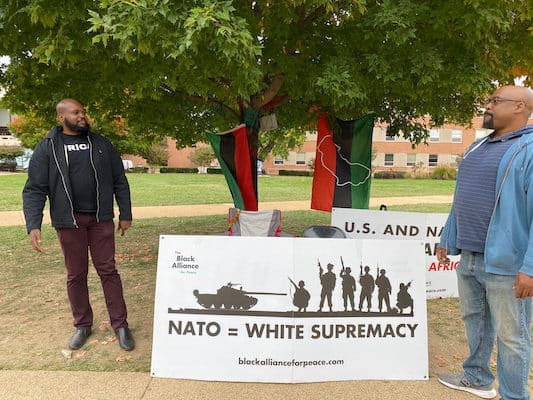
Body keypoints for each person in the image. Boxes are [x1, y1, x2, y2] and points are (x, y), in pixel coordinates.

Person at [436, 85, 533, 400]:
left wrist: (530, 267)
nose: (487, 106)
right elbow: (460, 197)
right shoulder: (478, 147)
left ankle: (513, 395)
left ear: (520, 107)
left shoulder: (528, 148)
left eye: (495, 101)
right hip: (471, 256)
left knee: (512, 336)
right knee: (475, 321)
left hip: (509, 263)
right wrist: (447, 236)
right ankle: (477, 378)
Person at [22, 98, 135, 351]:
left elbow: (120, 180)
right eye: (76, 113)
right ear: (61, 117)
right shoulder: (48, 148)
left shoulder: (101, 144)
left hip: (100, 218)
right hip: (68, 220)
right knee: (76, 274)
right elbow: (34, 189)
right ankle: (82, 325)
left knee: (108, 271)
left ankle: (121, 325)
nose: (82, 116)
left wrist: (125, 213)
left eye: (83, 111)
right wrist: (34, 224)